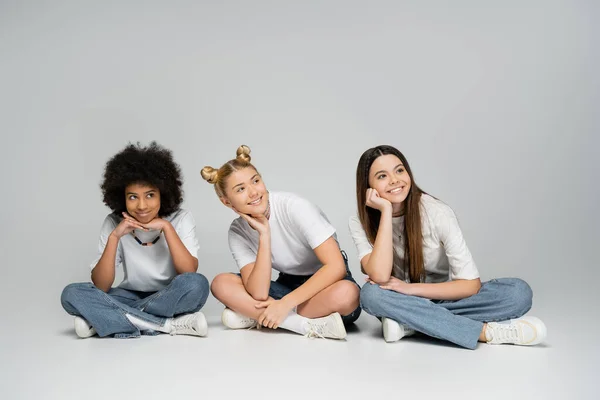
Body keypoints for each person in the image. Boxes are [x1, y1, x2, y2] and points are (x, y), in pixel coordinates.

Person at [350, 144, 547, 349]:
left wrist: (409, 289)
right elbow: (380, 277)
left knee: (518, 293)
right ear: (368, 186)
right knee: (371, 295)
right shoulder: (359, 221)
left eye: (399, 170)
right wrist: (386, 212)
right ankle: (484, 333)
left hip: (441, 296)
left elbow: (471, 285)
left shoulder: (437, 212)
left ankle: (412, 324)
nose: (394, 180)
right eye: (382, 176)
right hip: (397, 300)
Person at [202, 145, 361, 339]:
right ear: (226, 202)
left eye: (256, 181)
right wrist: (264, 234)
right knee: (221, 283)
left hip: (327, 284)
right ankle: (300, 325)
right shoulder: (237, 231)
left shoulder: (295, 207)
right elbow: (259, 293)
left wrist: (284, 304)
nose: (253, 192)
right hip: (287, 284)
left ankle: (258, 317)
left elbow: (336, 267)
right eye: (241, 189)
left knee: (348, 294)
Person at [61, 142, 209, 338]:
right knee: (71, 294)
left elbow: (188, 271)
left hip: (170, 294)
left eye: (150, 195)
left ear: (163, 194)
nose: (142, 205)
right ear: (122, 198)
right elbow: (101, 286)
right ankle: (165, 325)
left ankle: (105, 320)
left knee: (197, 284)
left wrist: (166, 227)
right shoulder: (114, 222)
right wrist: (115, 236)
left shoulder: (180, 218)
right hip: (128, 296)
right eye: (133, 197)